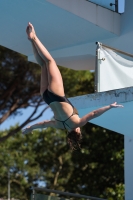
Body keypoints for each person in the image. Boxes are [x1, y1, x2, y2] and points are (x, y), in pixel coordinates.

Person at [22, 22, 123, 150]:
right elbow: (43, 124)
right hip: (47, 98)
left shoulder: (77, 122)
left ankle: (34, 38)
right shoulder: (60, 126)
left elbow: (94, 113)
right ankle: (31, 41)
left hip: (57, 94)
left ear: (77, 131)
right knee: (43, 65)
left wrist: (109, 106)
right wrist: (30, 128)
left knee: (50, 61)